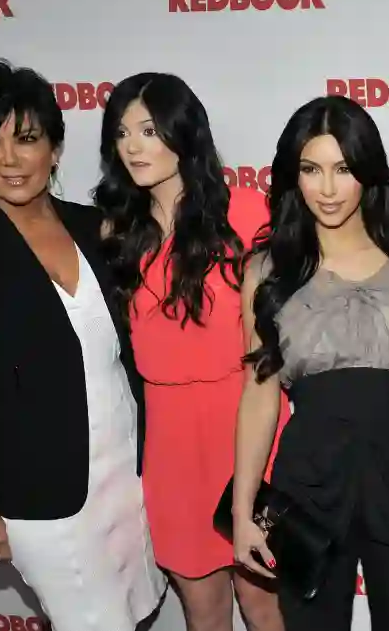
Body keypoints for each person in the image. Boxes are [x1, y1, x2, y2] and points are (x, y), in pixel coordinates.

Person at [0, 59, 166, 631]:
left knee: (138, 612)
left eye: (26, 139)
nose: (8, 159)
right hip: (40, 495)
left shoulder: (99, 228)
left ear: (54, 144)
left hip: (130, 475)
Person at [231, 95, 389, 631]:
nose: (327, 189)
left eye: (343, 169)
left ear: (367, 172)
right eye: (311, 169)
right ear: (291, 175)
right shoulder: (268, 271)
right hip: (310, 479)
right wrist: (242, 510)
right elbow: (258, 395)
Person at [93, 72, 285, 631]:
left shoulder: (249, 214)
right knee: (203, 612)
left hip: (249, 429)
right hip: (171, 446)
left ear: (184, 131)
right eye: (122, 132)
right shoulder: (115, 231)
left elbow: (272, 349)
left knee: (265, 604)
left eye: (150, 129)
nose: (133, 146)